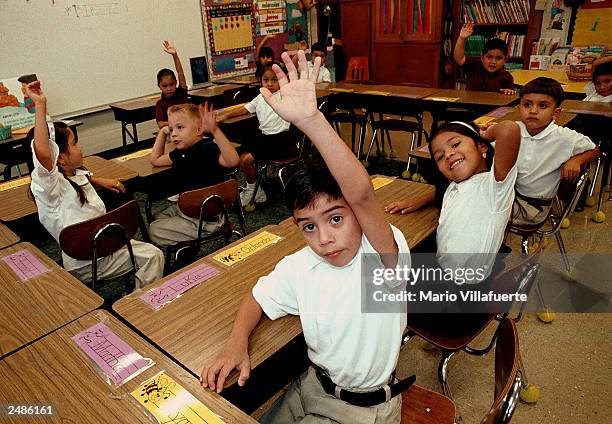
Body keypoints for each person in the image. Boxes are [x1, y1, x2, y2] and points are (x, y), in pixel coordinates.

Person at [201, 51, 411, 423]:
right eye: (309, 226)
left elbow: (361, 194)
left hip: (363, 408)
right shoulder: (302, 265)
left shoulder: (381, 259)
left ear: (357, 215)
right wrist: (237, 342)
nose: (324, 239)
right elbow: (256, 297)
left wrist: (312, 121)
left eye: (335, 218)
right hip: (312, 385)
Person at [26, 81, 164, 288]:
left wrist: (97, 179)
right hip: (87, 262)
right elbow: (44, 154)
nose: (80, 148)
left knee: (151, 254)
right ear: (60, 158)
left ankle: (136, 299)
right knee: (153, 256)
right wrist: (40, 106)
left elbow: (80, 177)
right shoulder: (50, 187)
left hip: (106, 248)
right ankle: (139, 307)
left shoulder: (74, 174)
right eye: (74, 144)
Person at [148, 103, 239, 246]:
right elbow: (155, 160)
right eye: (171, 130)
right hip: (189, 210)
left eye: (180, 128)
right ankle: (193, 239)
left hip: (205, 218)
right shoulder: (180, 153)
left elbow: (233, 161)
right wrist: (162, 133)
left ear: (198, 130)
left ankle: (208, 233)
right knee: (157, 217)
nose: (174, 133)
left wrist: (215, 131)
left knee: (153, 230)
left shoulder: (208, 148)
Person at [511, 77, 598, 225]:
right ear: (519, 107)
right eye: (527, 105)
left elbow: (594, 149)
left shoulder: (565, 137)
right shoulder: (513, 129)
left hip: (532, 207)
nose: (533, 111)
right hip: (509, 196)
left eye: (543, 106)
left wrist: (576, 160)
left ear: (556, 113)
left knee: (476, 213)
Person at [217, 64, 300, 207]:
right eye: (265, 80)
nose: (270, 84)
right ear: (260, 81)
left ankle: (254, 191)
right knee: (238, 154)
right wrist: (225, 115)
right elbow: (245, 108)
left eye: (274, 80)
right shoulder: (261, 97)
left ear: (281, 80)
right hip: (265, 138)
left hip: (282, 140)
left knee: (245, 160)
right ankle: (256, 188)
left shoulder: (284, 96)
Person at [454, 22, 515, 94]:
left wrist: (509, 92)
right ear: (482, 58)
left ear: (505, 60)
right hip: (471, 103)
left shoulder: (507, 77)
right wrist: (462, 38)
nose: (493, 61)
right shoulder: (474, 67)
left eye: (498, 58)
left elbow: (509, 94)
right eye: (489, 57)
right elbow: (459, 58)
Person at [155, 40, 189, 129]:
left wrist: (175, 55)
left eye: (171, 84)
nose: (169, 88)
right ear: (159, 86)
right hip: (172, 132)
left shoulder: (181, 93)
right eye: (165, 86)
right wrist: (178, 121)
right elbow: (161, 124)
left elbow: (180, 72)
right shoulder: (160, 104)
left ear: (176, 83)